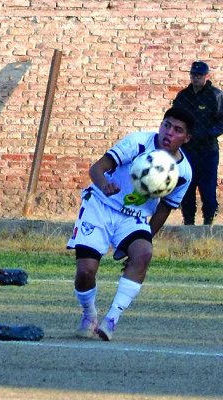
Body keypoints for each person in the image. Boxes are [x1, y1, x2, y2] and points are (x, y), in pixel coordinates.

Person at [67, 107, 194, 341]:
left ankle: (112, 319)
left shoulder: (183, 172)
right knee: (86, 271)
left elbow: (164, 208)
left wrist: (144, 240)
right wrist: (105, 185)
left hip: (133, 217)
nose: (168, 133)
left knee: (144, 254)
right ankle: (89, 313)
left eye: (177, 130)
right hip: (100, 206)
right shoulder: (138, 142)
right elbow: (96, 169)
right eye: (167, 125)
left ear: (186, 138)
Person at [173, 61, 223, 225]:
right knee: (186, 187)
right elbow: (174, 117)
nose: (196, 78)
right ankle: (188, 222)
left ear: (206, 76)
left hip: (208, 151)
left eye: (199, 75)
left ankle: (208, 223)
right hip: (186, 151)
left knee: (207, 189)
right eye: (193, 75)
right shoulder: (183, 96)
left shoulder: (215, 95)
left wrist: (208, 134)